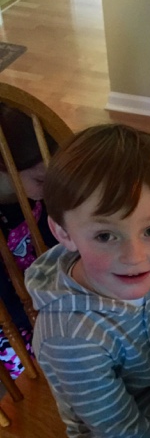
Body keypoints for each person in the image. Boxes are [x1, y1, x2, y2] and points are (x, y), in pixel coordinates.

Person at [25, 124, 150, 437]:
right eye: (105, 235)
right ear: (63, 232)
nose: (134, 257)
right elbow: (123, 430)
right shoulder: (70, 338)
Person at [0, 103, 57, 379]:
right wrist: (36, 320)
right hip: (12, 314)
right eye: (39, 180)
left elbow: (54, 247)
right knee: (32, 366)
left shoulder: (35, 197)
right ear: (4, 168)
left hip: (47, 297)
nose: (48, 189)